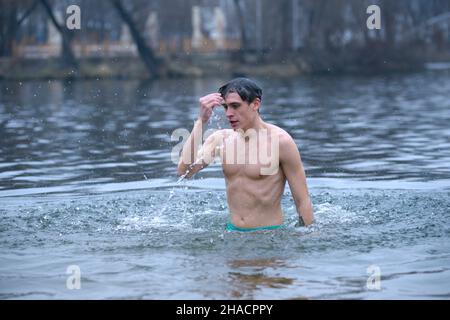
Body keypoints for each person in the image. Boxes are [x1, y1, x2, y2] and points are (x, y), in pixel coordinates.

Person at [177, 78, 314, 231]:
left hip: (270, 236)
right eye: (225, 107)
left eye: (235, 106)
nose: (228, 113)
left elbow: (302, 200)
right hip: (232, 234)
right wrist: (201, 121)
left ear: (255, 104)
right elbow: (184, 172)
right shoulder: (220, 139)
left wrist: (309, 238)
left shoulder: (281, 142)